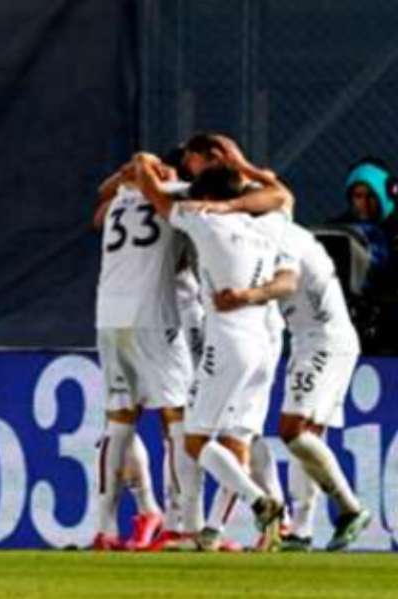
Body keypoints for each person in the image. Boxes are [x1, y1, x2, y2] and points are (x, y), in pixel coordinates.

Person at [136, 156, 293, 552]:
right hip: (265, 344)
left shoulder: (203, 218)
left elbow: (155, 196)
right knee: (236, 438)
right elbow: (281, 195)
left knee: (194, 439)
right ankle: (211, 533)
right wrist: (238, 192)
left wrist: (142, 165)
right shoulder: (264, 226)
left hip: (228, 343)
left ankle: (261, 502)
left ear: (207, 195)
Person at [213, 220, 371, 551]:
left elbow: (285, 283)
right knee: (308, 437)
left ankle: (350, 508)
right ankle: (301, 530)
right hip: (312, 341)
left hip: (323, 341)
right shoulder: (279, 232)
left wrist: (246, 295)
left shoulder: (284, 239)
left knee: (292, 430)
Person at [92, 154, 201, 551]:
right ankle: (179, 522)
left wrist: (130, 174)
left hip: (108, 316)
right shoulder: (176, 194)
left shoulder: (120, 198)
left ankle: (104, 529)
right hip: (154, 316)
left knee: (119, 419)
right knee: (177, 418)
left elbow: (99, 203)